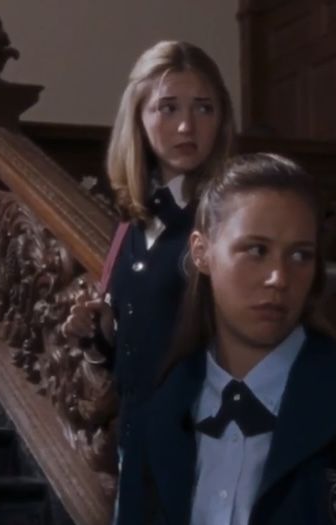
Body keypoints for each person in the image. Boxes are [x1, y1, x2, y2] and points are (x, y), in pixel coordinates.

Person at [110, 153, 336, 525]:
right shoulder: (161, 405)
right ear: (202, 253)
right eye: (256, 250)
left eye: (300, 255)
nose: (279, 278)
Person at [63, 40, 235, 435]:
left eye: (203, 108)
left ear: (221, 118)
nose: (186, 126)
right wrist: (97, 336)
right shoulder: (130, 225)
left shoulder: (232, 219)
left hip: (210, 449)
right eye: (168, 107)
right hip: (136, 446)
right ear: (138, 117)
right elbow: (138, 352)